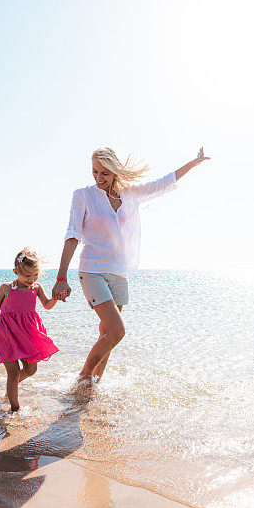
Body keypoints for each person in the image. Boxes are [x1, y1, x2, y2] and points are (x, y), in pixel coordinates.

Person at [52, 146, 209, 389]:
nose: (98, 178)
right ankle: (82, 378)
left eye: (104, 173)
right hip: (92, 270)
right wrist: (61, 276)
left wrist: (194, 163)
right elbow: (72, 234)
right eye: (95, 172)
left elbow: (164, 183)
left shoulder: (131, 194)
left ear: (115, 172)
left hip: (119, 273)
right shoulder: (82, 195)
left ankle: (93, 386)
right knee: (117, 332)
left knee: (107, 334)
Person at [0, 247, 59, 411]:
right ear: (15, 271)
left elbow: (47, 305)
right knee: (13, 372)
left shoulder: (37, 288)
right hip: (5, 333)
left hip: (27, 334)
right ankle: (15, 409)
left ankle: (9, 389)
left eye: (35, 275)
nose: (31, 279)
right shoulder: (6, 288)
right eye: (27, 275)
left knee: (31, 369)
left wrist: (56, 297)